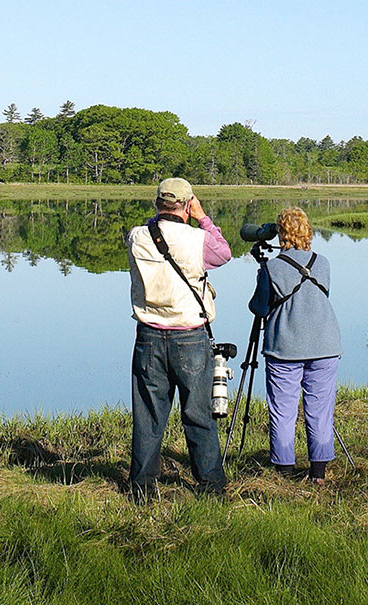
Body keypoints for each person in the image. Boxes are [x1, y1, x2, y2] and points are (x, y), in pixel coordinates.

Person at [126, 177, 232, 501]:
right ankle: (211, 487)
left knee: (148, 416)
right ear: (187, 205)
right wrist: (202, 217)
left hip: (148, 336)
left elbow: (153, 227)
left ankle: (141, 490)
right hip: (189, 336)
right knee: (198, 415)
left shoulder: (137, 236)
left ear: (157, 203)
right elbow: (224, 254)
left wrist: (163, 216)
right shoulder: (198, 239)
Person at [249, 207, 341, 484]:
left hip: (285, 348)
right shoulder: (323, 263)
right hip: (325, 344)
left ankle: (285, 472)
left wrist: (261, 273)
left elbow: (260, 308)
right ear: (308, 231)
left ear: (280, 234)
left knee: (283, 410)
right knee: (320, 410)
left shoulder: (272, 267)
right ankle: (318, 474)